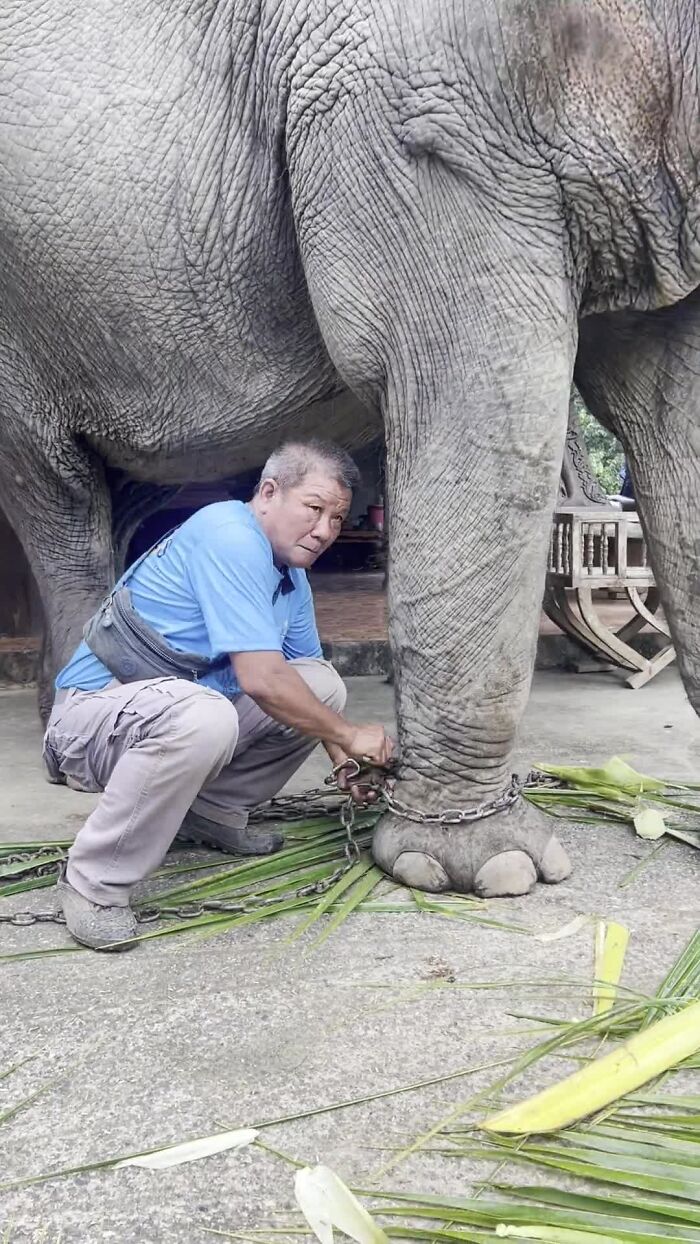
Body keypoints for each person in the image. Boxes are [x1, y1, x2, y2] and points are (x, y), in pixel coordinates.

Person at [44, 440, 395, 950]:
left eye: (337, 519)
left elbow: (302, 681)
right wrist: (350, 735)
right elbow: (261, 680)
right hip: (88, 722)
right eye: (314, 509)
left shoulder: (291, 579)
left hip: (177, 718)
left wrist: (345, 759)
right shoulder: (229, 534)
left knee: (322, 684)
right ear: (269, 493)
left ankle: (210, 812)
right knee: (206, 715)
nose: (324, 531)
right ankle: (92, 883)